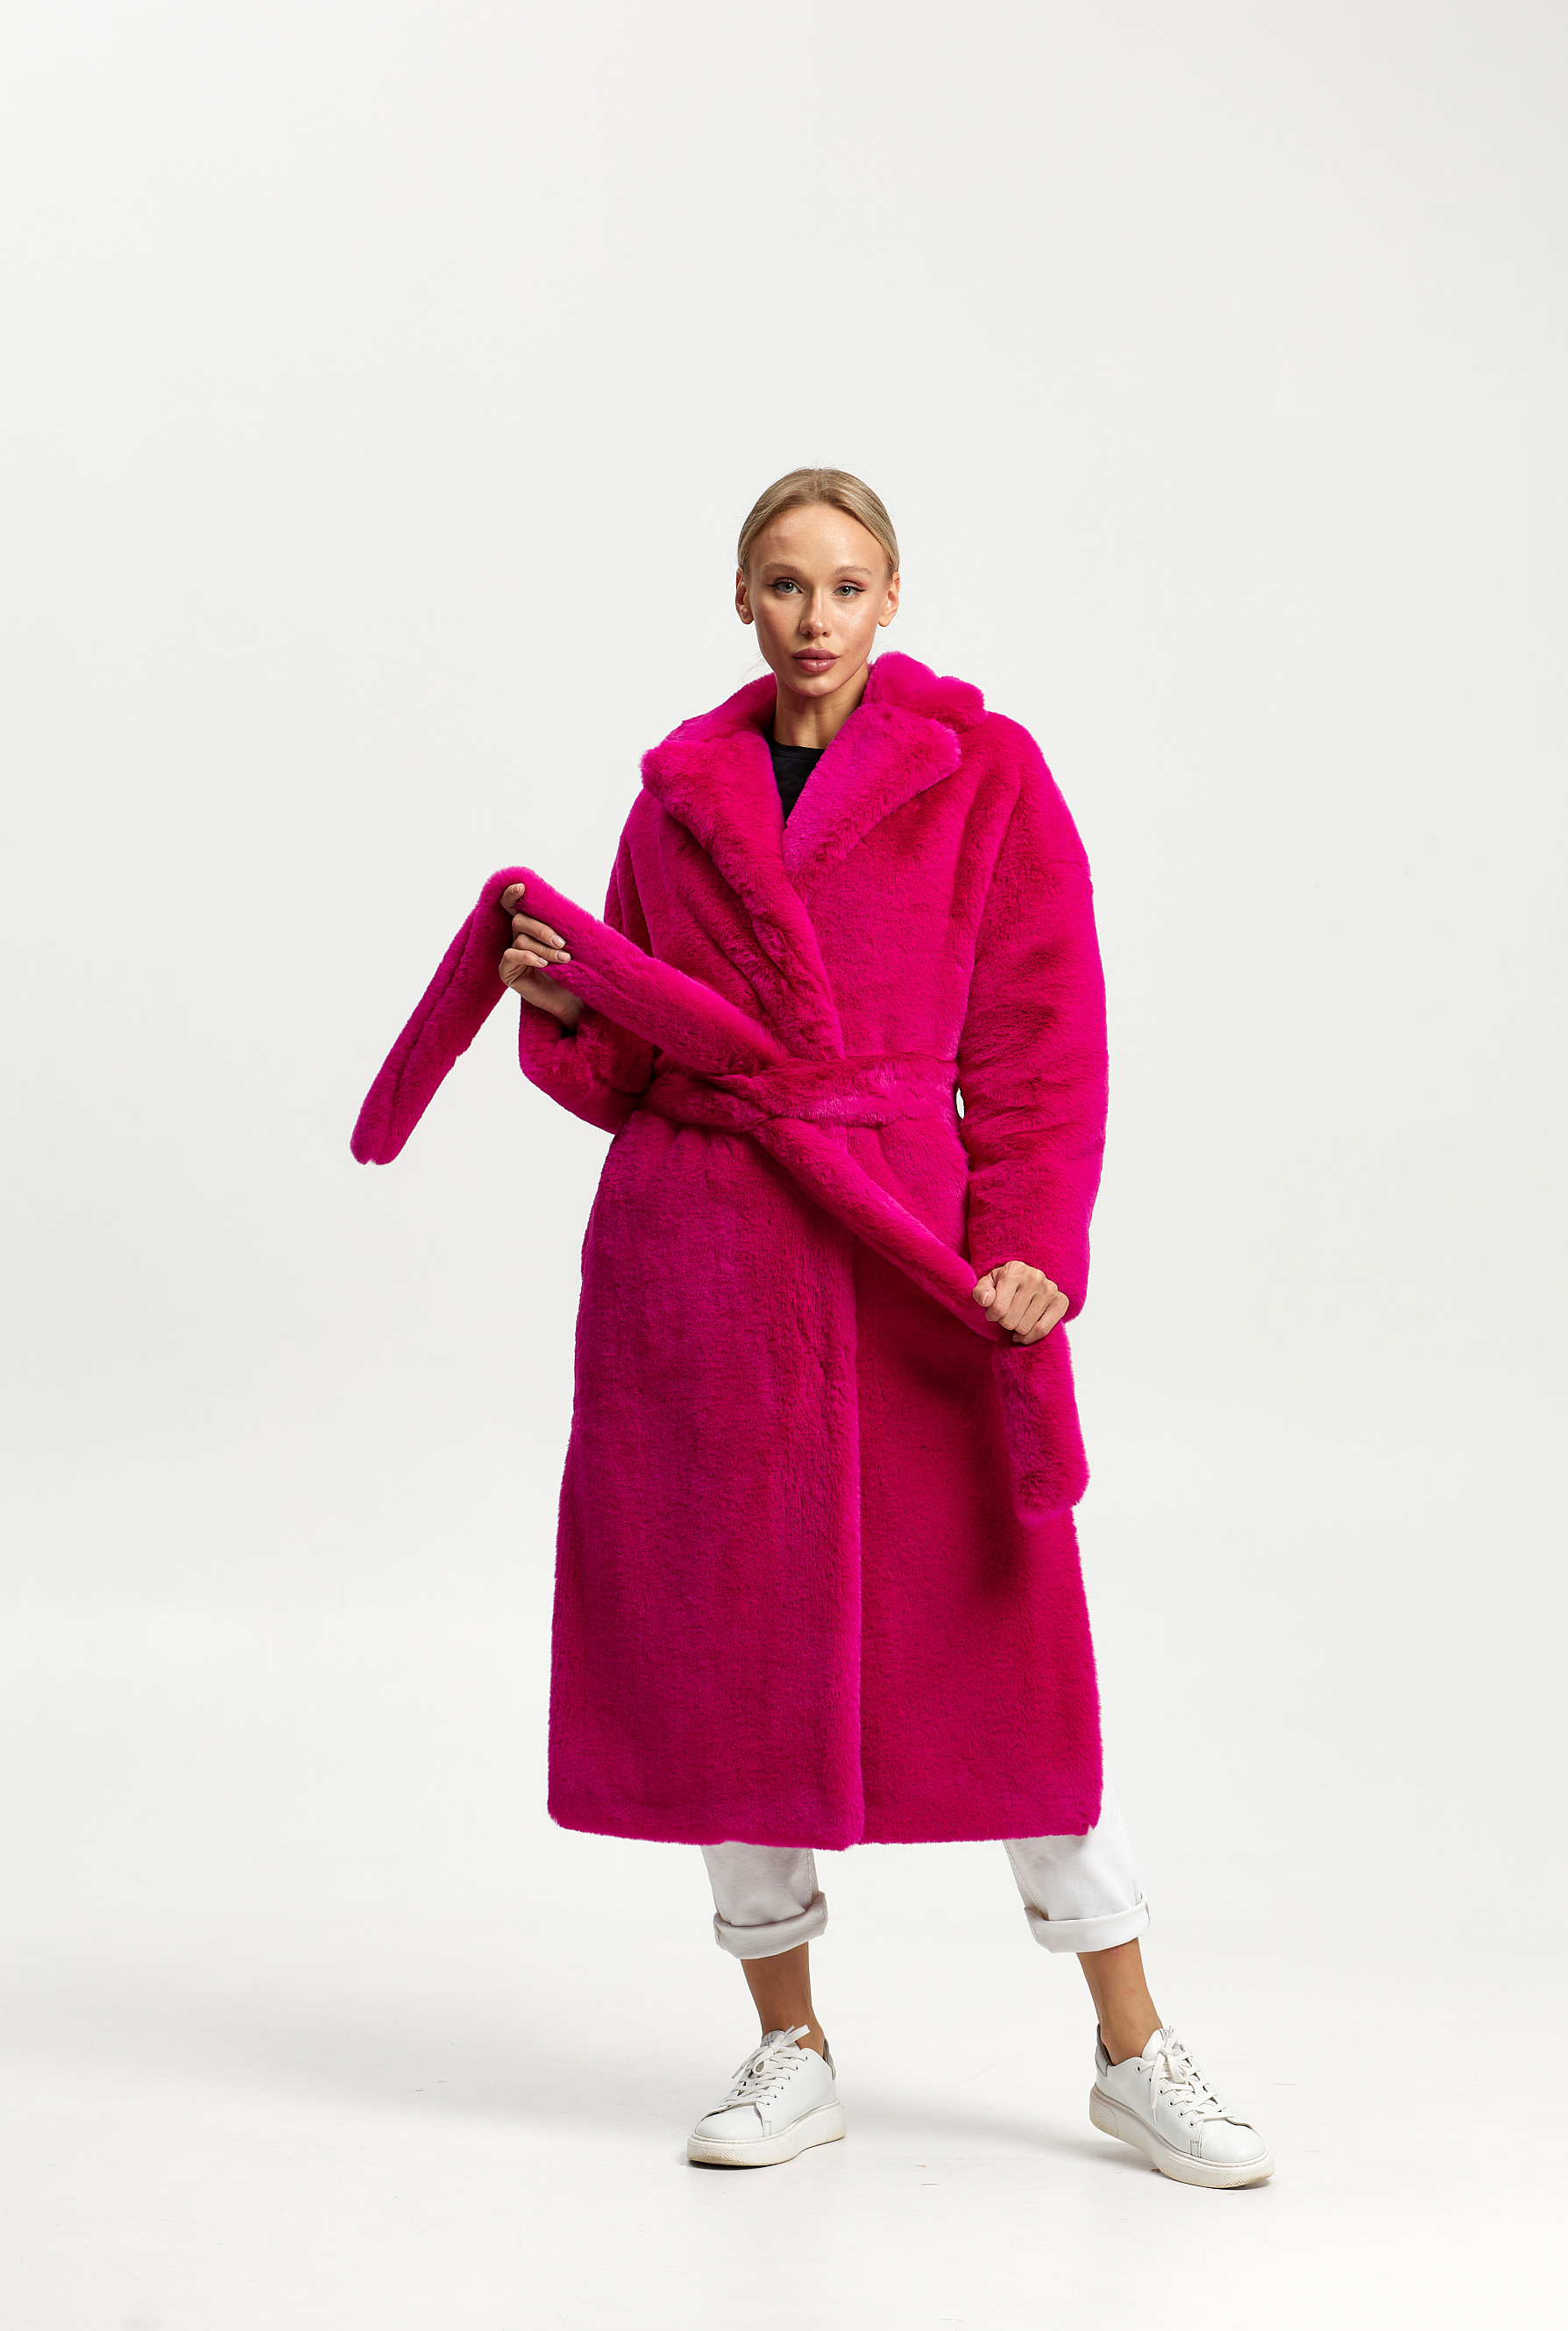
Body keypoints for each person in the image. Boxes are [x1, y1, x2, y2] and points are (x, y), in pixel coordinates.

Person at [496, 469, 1271, 2186]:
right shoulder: (676, 802)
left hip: (913, 1251)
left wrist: (1031, 1246)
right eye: (784, 585)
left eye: (846, 585)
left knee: (1006, 1645)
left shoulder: (984, 776)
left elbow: (1044, 1041)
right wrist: (562, 1002)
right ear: (743, 601)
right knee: (728, 1645)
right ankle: (789, 2046)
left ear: (893, 598)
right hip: (705, 1256)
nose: (815, 617)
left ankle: (1132, 2047)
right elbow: (635, 1067)